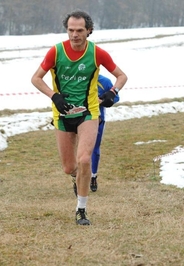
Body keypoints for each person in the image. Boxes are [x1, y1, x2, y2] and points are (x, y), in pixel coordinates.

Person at [31, 10, 127, 225]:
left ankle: (81, 210)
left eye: (79, 30)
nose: (74, 35)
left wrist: (112, 92)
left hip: (89, 112)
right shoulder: (56, 52)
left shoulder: (97, 53)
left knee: (84, 160)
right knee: (69, 167)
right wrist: (53, 95)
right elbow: (36, 79)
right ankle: (77, 178)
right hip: (63, 114)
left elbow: (122, 76)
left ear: (89, 31)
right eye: (70, 30)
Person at [90, 75, 120, 192]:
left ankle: (93, 176)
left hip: (98, 119)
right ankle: (78, 178)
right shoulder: (78, 77)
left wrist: (102, 101)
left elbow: (115, 98)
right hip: (78, 118)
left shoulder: (104, 81)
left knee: (95, 149)